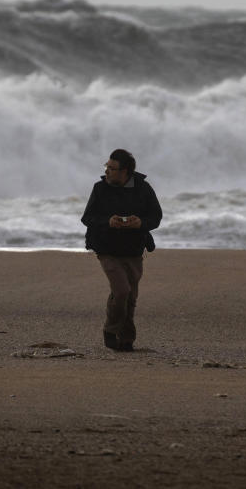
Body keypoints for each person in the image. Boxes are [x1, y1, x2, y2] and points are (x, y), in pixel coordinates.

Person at [81, 149, 163, 351]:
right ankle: (110, 330)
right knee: (121, 291)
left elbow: (156, 217)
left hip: (134, 249)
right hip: (106, 247)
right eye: (106, 167)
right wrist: (107, 221)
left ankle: (126, 339)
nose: (107, 171)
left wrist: (140, 222)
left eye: (112, 168)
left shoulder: (143, 189)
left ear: (125, 171)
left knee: (131, 296)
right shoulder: (100, 188)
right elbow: (87, 218)